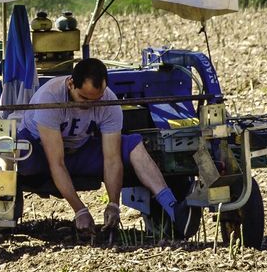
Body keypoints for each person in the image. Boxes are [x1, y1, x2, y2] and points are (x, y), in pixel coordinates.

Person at [16, 57, 181, 239]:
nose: (90, 106)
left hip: (79, 151)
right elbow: (57, 162)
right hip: (42, 153)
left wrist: (113, 204)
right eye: (84, 99)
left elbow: (112, 159)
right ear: (71, 84)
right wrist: (80, 210)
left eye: (97, 100)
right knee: (20, 155)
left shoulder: (109, 102)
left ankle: (173, 207)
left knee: (133, 145)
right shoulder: (50, 98)